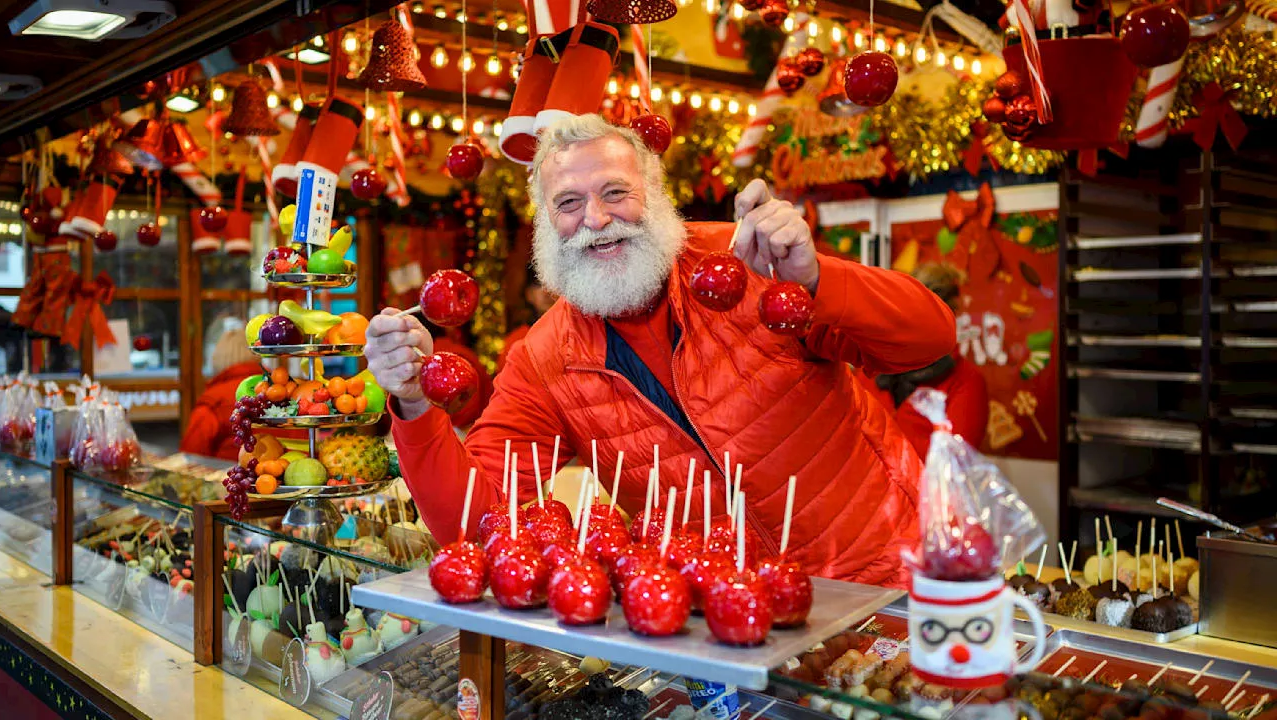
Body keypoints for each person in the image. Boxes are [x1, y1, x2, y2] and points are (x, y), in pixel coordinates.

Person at [365, 115, 956, 587]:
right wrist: (414, 407)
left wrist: (815, 278)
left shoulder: (747, 262)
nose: (595, 219)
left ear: (655, 197)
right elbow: (477, 523)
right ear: (546, 225)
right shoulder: (543, 359)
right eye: (568, 204)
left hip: (887, 581)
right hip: (730, 622)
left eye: (616, 192)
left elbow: (927, 339)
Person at [860, 263, 988, 459]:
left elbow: (954, 464)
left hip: (928, 489)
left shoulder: (966, 381)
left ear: (949, 320)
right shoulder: (870, 370)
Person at [180, 323, 260, 461]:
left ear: (218, 357)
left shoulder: (214, 400)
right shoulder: (280, 389)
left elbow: (190, 457)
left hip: (228, 479)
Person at [497, 266, 558, 374]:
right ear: (529, 294)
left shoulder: (577, 334)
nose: (546, 291)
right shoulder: (518, 340)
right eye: (538, 285)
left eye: (551, 284)